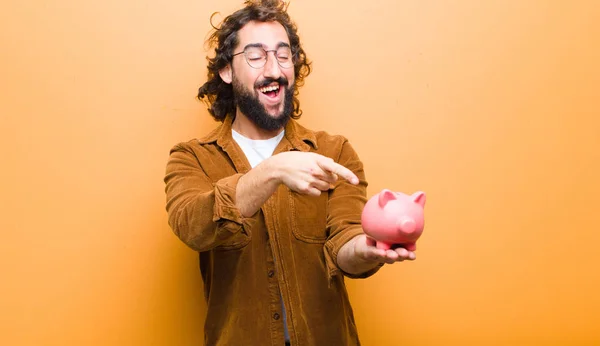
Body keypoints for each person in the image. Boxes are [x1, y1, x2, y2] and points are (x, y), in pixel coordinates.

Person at [164, 1, 416, 345]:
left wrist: (368, 248)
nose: (275, 70)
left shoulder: (333, 151)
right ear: (226, 70)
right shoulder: (192, 157)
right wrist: (272, 171)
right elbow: (192, 225)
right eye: (256, 56)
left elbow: (344, 242)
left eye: (284, 55)